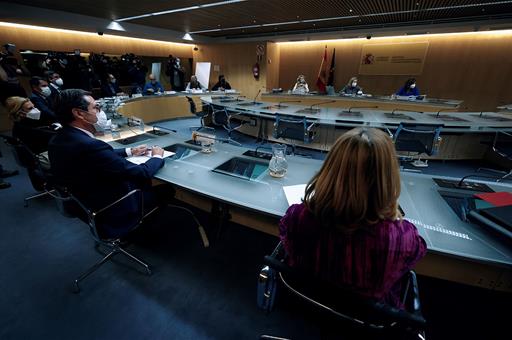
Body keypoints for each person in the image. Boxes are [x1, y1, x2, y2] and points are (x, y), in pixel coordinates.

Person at [279, 127, 426, 309]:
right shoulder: (401, 236)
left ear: (330, 169)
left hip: (306, 305)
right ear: (388, 178)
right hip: (368, 322)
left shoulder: (298, 216)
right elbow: (417, 252)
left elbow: (287, 239)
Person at [48, 89, 166, 239]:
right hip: (111, 205)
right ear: (79, 113)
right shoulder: (90, 145)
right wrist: (157, 157)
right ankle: (140, 233)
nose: (100, 111)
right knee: (165, 189)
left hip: (84, 203)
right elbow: (140, 173)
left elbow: (93, 157)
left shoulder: (60, 138)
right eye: (96, 107)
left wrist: (129, 151)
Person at [5, 96, 57, 169]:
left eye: (34, 107)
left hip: (47, 150)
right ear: (20, 113)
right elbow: (48, 135)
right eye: (30, 108)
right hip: (42, 156)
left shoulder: (28, 121)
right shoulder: (22, 128)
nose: (35, 110)